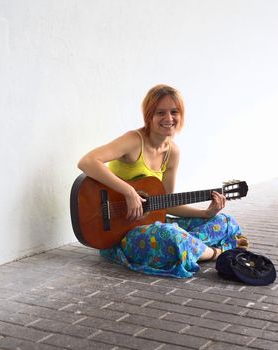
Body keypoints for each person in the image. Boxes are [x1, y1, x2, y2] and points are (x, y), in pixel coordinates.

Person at [77, 84, 248, 278]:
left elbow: (166, 203)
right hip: (120, 236)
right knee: (170, 234)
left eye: (174, 112)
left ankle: (190, 249)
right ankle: (216, 252)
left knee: (225, 222)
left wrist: (206, 212)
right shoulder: (134, 140)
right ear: (149, 115)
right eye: (160, 113)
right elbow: (87, 161)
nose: (168, 119)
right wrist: (128, 192)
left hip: (153, 225)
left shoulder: (172, 152)